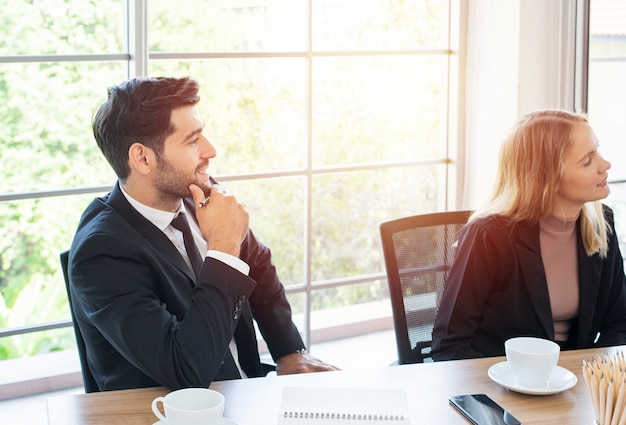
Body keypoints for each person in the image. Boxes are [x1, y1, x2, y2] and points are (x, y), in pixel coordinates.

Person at [68, 76, 338, 391]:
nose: (211, 150)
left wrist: (288, 351)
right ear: (143, 158)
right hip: (165, 411)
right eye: (193, 139)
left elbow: (258, 266)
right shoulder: (101, 254)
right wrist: (223, 247)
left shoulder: (194, 193)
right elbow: (186, 372)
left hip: (242, 390)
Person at [432, 109, 626, 361]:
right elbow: (450, 344)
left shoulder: (602, 223)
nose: (605, 165)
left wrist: (589, 375)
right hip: (502, 383)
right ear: (549, 178)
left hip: (573, 383)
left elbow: (620, 323)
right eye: (588, 160)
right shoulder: (487, 235)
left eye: (597, 151)